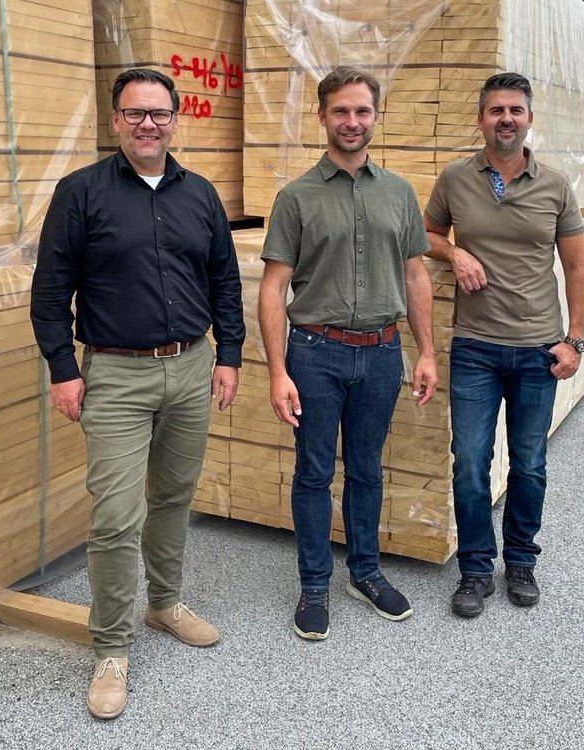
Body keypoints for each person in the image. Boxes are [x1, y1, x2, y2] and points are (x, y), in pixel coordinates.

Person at [30, 68, 244, 719]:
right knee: (116, 516)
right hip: (116, 377)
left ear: (176, 120)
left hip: (190, 367)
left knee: (174, 495)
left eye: (159, 113)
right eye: (134, 113)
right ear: (116, 120)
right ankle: (111, 649)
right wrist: (63, 368)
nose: (148, 124)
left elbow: (224, 280)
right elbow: (50, 289)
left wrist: (229, 355)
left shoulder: (200, 194)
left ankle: (164, 604)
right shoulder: (81, 193)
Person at [258, 66, 438, 641]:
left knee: (366, 468)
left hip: (382, 354)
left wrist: (426, 352)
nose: (352, 121)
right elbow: (272, 288)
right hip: (315, 354)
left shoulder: (399, 193)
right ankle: (314, 584)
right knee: (313, 472)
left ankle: (365, 573)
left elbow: (415, 275)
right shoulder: (296, 197)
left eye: (362, 111)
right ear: (322, 117)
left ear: (375, 117)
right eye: (341, 111)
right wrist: (277, 371)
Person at [424, 72, 584, 618]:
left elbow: (577, 265)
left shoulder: (555, 186)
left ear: (529, 119)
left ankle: (520, 561)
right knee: (470, 462)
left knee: (530, 462)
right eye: (496, 110)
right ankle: (475, 569)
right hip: (475, 346)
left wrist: (575, 341)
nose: (506, 119)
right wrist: (455, 253)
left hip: (538, 349)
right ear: (481, 119)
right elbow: (424, 234)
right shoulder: (456, 178)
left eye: (516, 110)